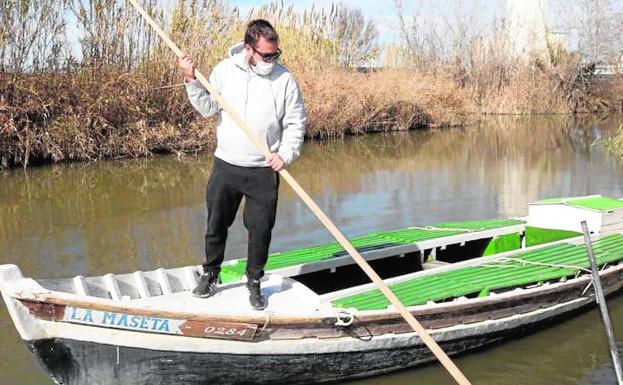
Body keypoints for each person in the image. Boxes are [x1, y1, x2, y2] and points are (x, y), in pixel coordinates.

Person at [177, 19, 307, 310]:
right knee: (216, 223)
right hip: (227, 164)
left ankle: (254, 280)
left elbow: (296, 123)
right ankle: (211, 273)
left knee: (260, 228)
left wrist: (285, 154)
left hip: (264, 169)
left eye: (276, 54)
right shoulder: (225, 71)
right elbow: (207, 107)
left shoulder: (284, 79)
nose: (272, 60)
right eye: (267, 55)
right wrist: (190, 80)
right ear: (249, 49)